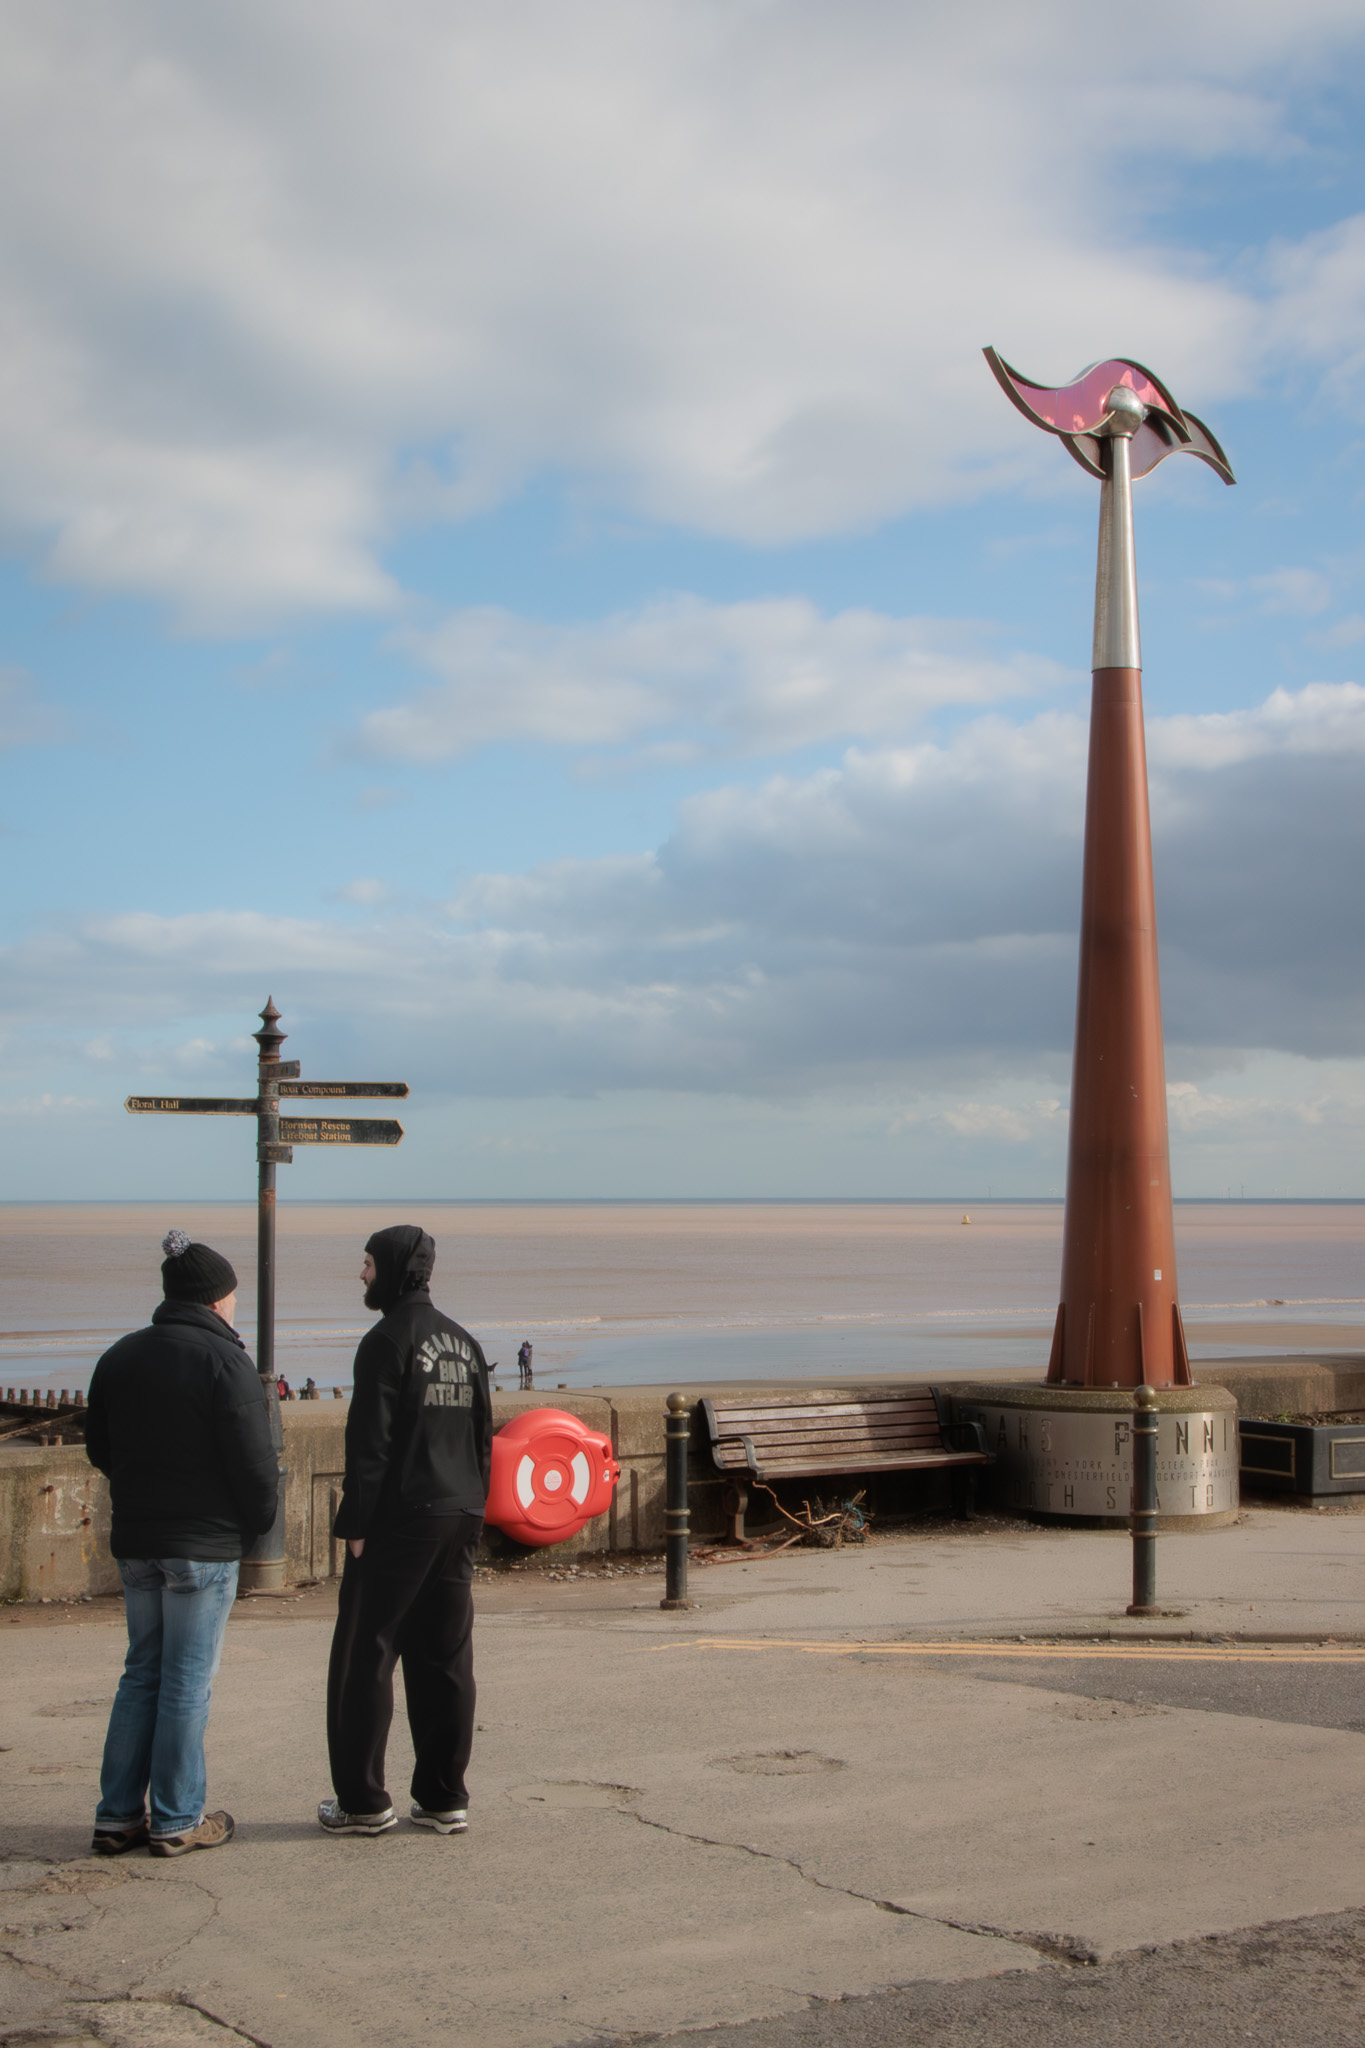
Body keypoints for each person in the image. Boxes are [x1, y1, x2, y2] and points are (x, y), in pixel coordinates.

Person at [84, 1230, 278, 1858]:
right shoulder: (226, 1362)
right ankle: (175, 1819)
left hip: (138, 1541)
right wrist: (253, 1525)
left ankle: (117, 1816)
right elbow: (255, 1466)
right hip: (203, 1545)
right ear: (217, 1299)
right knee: (187, 1680)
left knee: (141, 1672)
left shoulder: (121, 1356)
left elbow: (100, 1449)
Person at [320, 1224, 492, 1838]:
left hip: (401, 1517)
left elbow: (369, 1443)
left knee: (365, 1652)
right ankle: (445, 1797)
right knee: (445, 1656)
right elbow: (481, 1436)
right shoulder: (464, 1342)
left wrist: (357, 1524)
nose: (361, 1274)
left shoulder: (385, 1341)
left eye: (367, 1264)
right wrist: (477, 1507)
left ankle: (363, 1803)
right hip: (461, 1512)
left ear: (391, 1269)